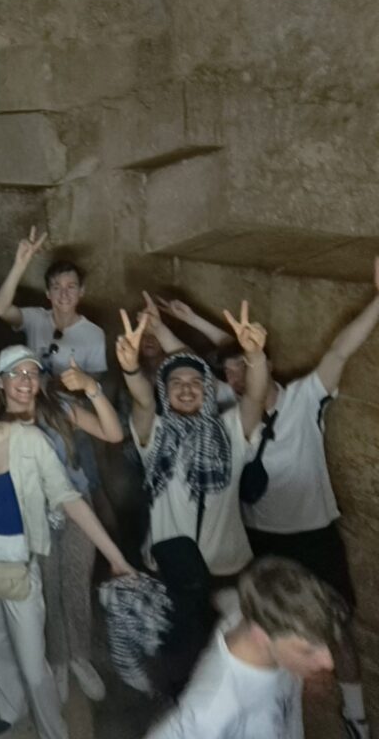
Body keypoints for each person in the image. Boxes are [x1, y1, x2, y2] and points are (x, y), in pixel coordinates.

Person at [206, 258, 379, 738]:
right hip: (263, 541)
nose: (236, 380)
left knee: (336, 627)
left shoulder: (304, 398)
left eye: (243, 367)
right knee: (272, 634)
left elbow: (341, 350)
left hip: (312, 536)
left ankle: (355, 717)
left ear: (262, 362)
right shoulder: (232, 421)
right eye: (229, 375)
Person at [0, 371, 134, 738]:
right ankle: (9, 708)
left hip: (20, 563)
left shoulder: (29, 440)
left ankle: (53, 730)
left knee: (33, 662)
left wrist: (115, 556)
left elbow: (69, 498)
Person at [0, 344, 124, 703]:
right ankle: (58, 659)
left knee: (76, 582)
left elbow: (113, 434)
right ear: (1, 382)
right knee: (47, 589)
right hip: (31, 519)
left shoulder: (58, 408)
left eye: (32, 373)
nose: (25, 381)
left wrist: (91, 388)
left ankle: (79, 655)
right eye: (16, 373)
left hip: (77, 508)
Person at [117, 300, 269, 581]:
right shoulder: (155, 432)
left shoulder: (231, 430)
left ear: (208, 391)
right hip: (165, 565)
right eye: (176, 383)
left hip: (224, 565)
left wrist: (256, 356)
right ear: (165, 392)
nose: (186, 389)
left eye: (195, 383)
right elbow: (143, 401)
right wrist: (131, 369)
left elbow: (255, 397)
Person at [145, 557, 341, 739]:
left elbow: (227, 598)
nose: (329, 662)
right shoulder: (211, 709)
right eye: (308, 650)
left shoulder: (255, 613)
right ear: (261, 636)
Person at [0, 227, 106, 376]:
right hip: (32, 389)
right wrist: (20, 265)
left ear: (81, 291)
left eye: (71, 287)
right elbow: (0, 309)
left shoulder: (94, 334)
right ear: (48, 293)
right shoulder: (35, 318)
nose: (64, 294)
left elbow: (94, 383)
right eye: (56, 287)